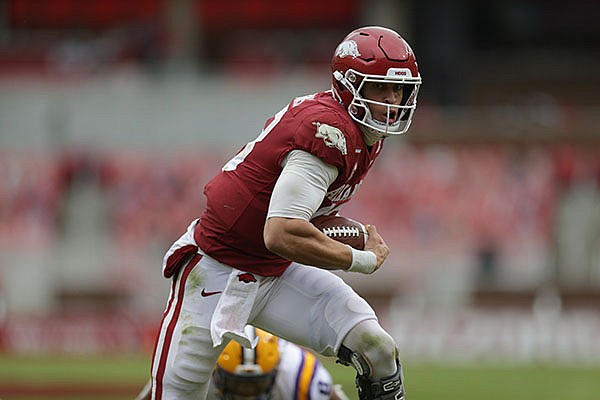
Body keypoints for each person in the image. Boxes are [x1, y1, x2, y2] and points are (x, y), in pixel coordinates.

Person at [149, 26, 421, 400]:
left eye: (398, 89)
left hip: (276, 269)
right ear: (348, 85)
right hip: (218, 266)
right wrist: (359, 259)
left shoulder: (364, 135)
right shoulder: (329, 131)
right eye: (379, 88)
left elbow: (301, 223)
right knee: (175, 393)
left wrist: (346, 232)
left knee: (375, 345)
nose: (391, 99)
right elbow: (282, 232)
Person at [136, 326, 349, 400]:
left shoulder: (298, 374)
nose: (246, 395)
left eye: (255, 384)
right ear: (214, 371)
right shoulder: (193, 369)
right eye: (238, 384)